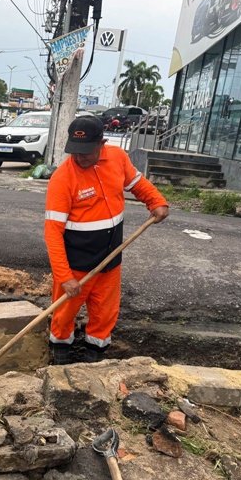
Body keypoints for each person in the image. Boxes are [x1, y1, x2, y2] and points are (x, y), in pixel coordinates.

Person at [44, 116, 169, 365]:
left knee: (104, 314)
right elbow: (52, 233)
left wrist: (156, 201)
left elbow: (137, 183)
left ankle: (95, 362)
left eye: (86, 152)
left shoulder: (117, 158)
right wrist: (65, 276)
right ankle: (59, 361)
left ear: (102, 143)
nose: (79, 158)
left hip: (110, 258)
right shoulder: (62, 179)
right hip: (76, 264)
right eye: (75, 152)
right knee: (63, 315)